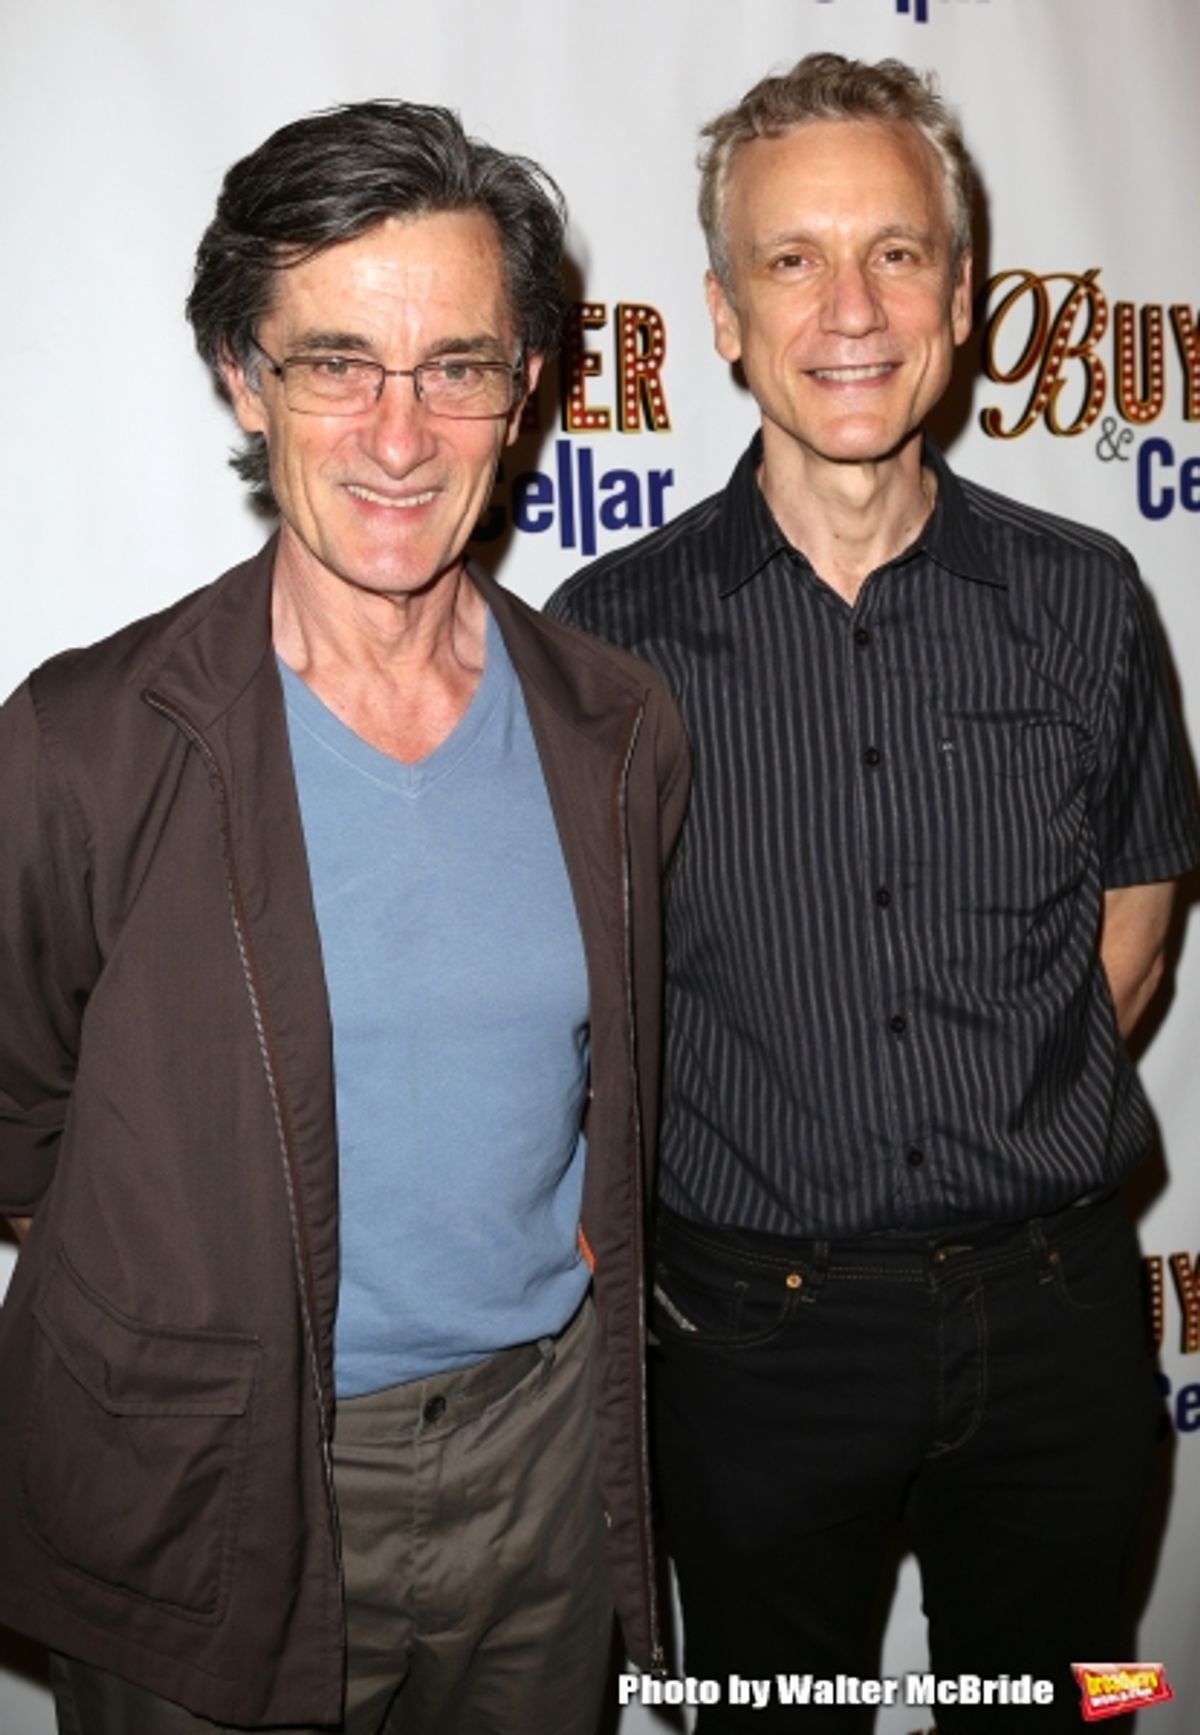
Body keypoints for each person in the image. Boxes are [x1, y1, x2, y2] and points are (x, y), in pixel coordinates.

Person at [0, 100, 688, 1734]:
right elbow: (18, 1116)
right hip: (219, 1483)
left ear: (524, 395)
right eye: (335, 363)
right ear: (244, 376)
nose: (399, 433)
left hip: (543, 1469)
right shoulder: (88, 743)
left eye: (456, 364)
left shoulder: (619, 726)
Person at [548, 52, 1199, 1732]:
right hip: (751, 1345)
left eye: (897, 253)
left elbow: (1135, 923)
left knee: (1084, 1704)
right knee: (778, 1717)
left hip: (1065, 1319)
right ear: (723, 314)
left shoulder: (1090, 597)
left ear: (964, 295)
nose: (851, 306)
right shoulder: (603, 641)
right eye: (792, 260)